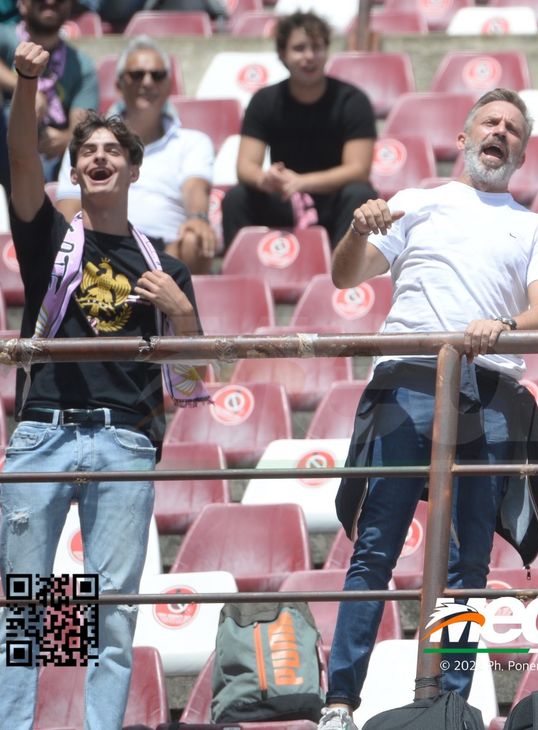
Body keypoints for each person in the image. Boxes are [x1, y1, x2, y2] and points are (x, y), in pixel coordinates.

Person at [318, 88, 538, 730]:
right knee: (376, 547)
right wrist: (355, 228)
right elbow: (347, 277)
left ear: (523, 151)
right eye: (490, 121)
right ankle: (340, 701)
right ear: (463, 136)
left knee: (470, 561)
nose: (500, 132)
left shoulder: (535, 225)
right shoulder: (416, 202)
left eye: (513, 127)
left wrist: (502, 324)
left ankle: (448, 700)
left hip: (491, 389)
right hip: (407, 382)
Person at [0, 41, 206, 730]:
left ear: (134, 167)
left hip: (123, 444)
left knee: (106, 613)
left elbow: (199, 379)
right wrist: (28, 80)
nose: (97, 157)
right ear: (76, 166)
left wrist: (180, 315)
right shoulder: (48, 240)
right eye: (86, 149)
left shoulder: (166, 267)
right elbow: (22, 160)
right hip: (44, 436)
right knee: (27, 604)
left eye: (111, 150)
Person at [54, 35, 217, 274]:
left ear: (169, 84)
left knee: (196, 237)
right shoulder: (87, 145)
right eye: (137, 74)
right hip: (99, 250)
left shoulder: (193, 141)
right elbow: (68, 209)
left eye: (157, 75)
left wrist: (198, 218)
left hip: (167, 253)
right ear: (119, 84)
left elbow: (195, 189)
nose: (147, 82)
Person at [221, 10, 377, 248]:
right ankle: (244, 276)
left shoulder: (352, 100)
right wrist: (266, 179)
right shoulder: (264, 101)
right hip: (284, 197)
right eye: (299, 48)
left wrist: (303, 182)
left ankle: (345, 277)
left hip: (334, 200)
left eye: (317, 47)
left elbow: (358, 170)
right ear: (282, 53)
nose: (309, 56)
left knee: (358, 194)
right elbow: (245, 167)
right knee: (237, 198)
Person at [0, 0, 99, 183]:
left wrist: (64, 139)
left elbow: (81, 128)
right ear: (22, 4)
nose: (51, 2)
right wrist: (26, 88)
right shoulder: (5, 37)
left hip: (49, 162)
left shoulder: (81, 65)